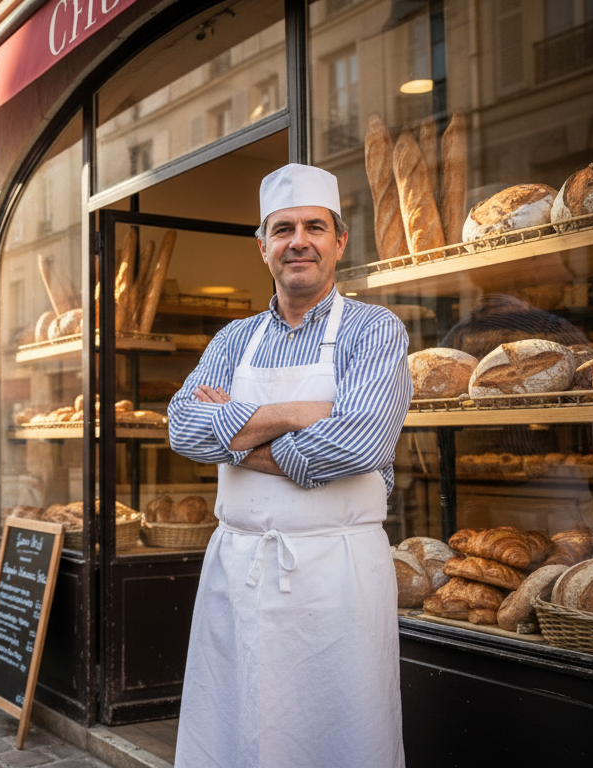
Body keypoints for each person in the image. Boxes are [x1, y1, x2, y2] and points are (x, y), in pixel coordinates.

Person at [167, 163, 411, 768]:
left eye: (313, 227)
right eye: (282, 229)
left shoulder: (375, 330)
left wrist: (240, 435)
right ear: (262, 246)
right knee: (235, 731)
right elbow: (183, 429)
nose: (298, 240)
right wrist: (303, 411)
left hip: (339, 579)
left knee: (341, 734)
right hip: (238, 571)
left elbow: (359, 443)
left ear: (339, 240)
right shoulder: (232, 340)